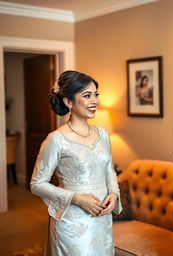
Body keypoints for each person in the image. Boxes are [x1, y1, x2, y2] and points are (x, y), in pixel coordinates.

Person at [30, 70, 122, 256]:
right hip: (73, 223)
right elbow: (36, 184)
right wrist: (76, 198)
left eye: (96, 94)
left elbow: (109, 170)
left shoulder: (103, 134)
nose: (94, 101)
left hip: (102, 218)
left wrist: (113, 192)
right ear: (68, 101)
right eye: (87, 95)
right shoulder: (56, 139)